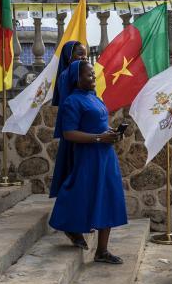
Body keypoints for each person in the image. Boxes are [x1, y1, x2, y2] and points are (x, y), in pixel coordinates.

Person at [49, 60, 128, 264]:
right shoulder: (72, 102)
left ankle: (102, 250)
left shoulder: (95, 98)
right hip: (88, 156)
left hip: (106, 155)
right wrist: (99, 138)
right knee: (78, 192)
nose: (93, 78)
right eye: (89, 75)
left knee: (108, 197)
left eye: (94, 74)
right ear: (77, 78)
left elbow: (99, 124)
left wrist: (110, 132)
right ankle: (68, 225)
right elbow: (69, 133)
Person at [49, 41, 88, 247]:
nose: (83, 58)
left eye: (85, 55)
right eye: (79, 55)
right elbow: (72, 108)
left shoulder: (77, 76)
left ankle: (77, 222)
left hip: (81, 135)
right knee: (72, 179)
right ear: (68, 57)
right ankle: (69, 224)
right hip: (74, 135)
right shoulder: (67, 78)